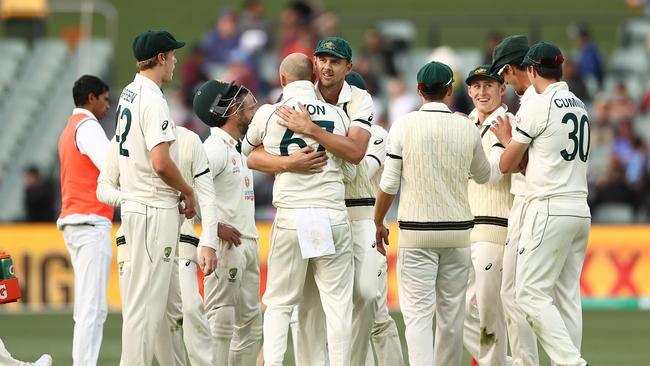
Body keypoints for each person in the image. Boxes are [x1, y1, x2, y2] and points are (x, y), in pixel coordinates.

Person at [374, 61, 497, 366]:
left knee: (417, 316)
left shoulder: (404, 124)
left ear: (419, 90)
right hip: (457, 234)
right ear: (449, 90)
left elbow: (389, 183)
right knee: (452, 316)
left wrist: (377, 221)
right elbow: (484, 176)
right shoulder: (466, 127)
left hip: (417, 234)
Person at [242, 53, 356, 366]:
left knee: (279, 303)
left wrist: (284, 163)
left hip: (292, 215)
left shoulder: (268, 113)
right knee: (337, 305)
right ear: (314, 77)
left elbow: (248, 153)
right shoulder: (337, 116)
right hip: (331, 214)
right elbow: (350, 170)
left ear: (282, 79)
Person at [494, 41, 591, 366]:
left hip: (548, 205)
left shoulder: (539, 104)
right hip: (579, 207)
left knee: (530, 294)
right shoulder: (579, 104)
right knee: (566, 297)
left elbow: (507, 164)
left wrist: (507, 139)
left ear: (532, 70)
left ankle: (571, 362)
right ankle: (571, 359)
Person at [96, 125, 219, 366]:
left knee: (175, 318)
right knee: (138, 317)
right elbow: (103, 187)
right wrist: (131, 201)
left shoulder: (189, 140)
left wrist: (210, 237)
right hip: (133, 238)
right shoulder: (124, 138)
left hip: (177, 239)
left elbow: (206, 195)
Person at [116, 30, 196, 366]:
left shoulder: (128, 92)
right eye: (172, 55)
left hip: (136, 206)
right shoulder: (152, 98)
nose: (175, 62)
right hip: (153, 209)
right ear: (160, 58)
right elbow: (161, 163)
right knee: (146, 309)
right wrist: (188, 190)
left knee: (156, 307)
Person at [193, 79, 262, 366]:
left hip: (247, 242)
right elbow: (191, 189)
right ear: (229, 109)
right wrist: (215, 228)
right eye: (240, 98)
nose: (249, 102)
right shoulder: (214, 148)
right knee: (221, 320)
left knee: (252, 326)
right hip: (226, 245)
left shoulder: (236, 148)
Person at [339, 72, 404, 366]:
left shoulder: (377, 134)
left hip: (367, 225)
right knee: (342, 314)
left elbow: (361, 171)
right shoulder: (336, 132)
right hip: (337, 223)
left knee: (375, 315)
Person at [489, 34, 540, 366]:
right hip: (548, 203)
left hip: (530, 202)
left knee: (515, 292)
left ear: (510, 68)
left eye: (503, 75)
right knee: (541, 295)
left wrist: (506, 139)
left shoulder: (533, 102)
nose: (504, 83)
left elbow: (516, 164)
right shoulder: (544, 98)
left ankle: (525, 362)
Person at [56, 74, 112, 366]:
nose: (107, 106)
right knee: (93, 308)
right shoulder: (88, 127)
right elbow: (110, 167)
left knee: (87, 307)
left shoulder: (70, 127)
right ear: (91, 98)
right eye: (104, 99)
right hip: (90, 222)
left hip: (78, 221)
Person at [461, 65, 513, 365]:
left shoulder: (507, 123)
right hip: (465, 228)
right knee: (458, 310)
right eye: (476, 87)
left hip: (494, 228)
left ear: (501, 89)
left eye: (488, 86)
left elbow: (492, 173)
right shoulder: (464, 123)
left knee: (489, 312)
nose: (482, 92)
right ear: (468, 91)